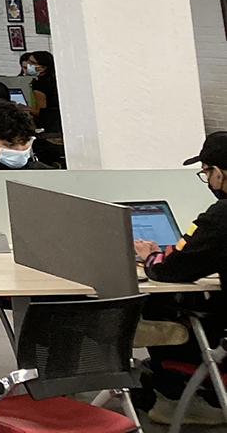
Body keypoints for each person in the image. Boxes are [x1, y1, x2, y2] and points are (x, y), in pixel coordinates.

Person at [135, 132, 227, 424]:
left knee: (157, 304)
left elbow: (168, 270)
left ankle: (172, 396)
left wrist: (150, 255)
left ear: (219, 174)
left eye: (206, 173)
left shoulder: (220, 216)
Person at [26, 50, 60, 134]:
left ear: (44, 67)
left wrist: (25, 108)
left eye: (33, 63)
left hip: (49, 126)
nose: (29, 65)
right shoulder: (56, 79)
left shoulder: (40, 85)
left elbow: (40, 111)